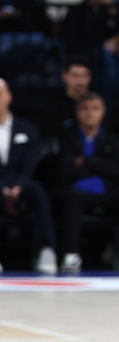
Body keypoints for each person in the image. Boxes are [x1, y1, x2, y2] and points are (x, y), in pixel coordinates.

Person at [58, 92, 119, 273]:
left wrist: (86, 162)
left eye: (95, 108)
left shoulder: (112, 138)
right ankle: (71, 254)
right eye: (85, 108)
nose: (90, 113)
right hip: (78, 193)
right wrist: (100, 168)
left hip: (106, 192)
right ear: (77, 112)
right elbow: (67, 170)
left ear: (102, 113)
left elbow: (117, 170)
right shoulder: (67, 137)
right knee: (71, 196)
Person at [0, 78, 57, 275]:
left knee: (37, 190)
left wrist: (19, 186)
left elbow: (29, 165)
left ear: (9, 97)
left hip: (20, 182)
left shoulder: (26, 129)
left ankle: (47, 249)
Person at [60, 0, 119, 102]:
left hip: (114, 60)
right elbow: (72, 40)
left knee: (108, 57)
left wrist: (116, 39)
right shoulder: (77, 11)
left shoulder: (117, 10)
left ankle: (111, 103)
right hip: (85, 59)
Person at [42, 57, 92, 139]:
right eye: (75, 75)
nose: (80, 80)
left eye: (84, 75)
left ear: (90, 77)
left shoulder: (97, 104)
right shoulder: (54, 105)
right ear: (64, 76)